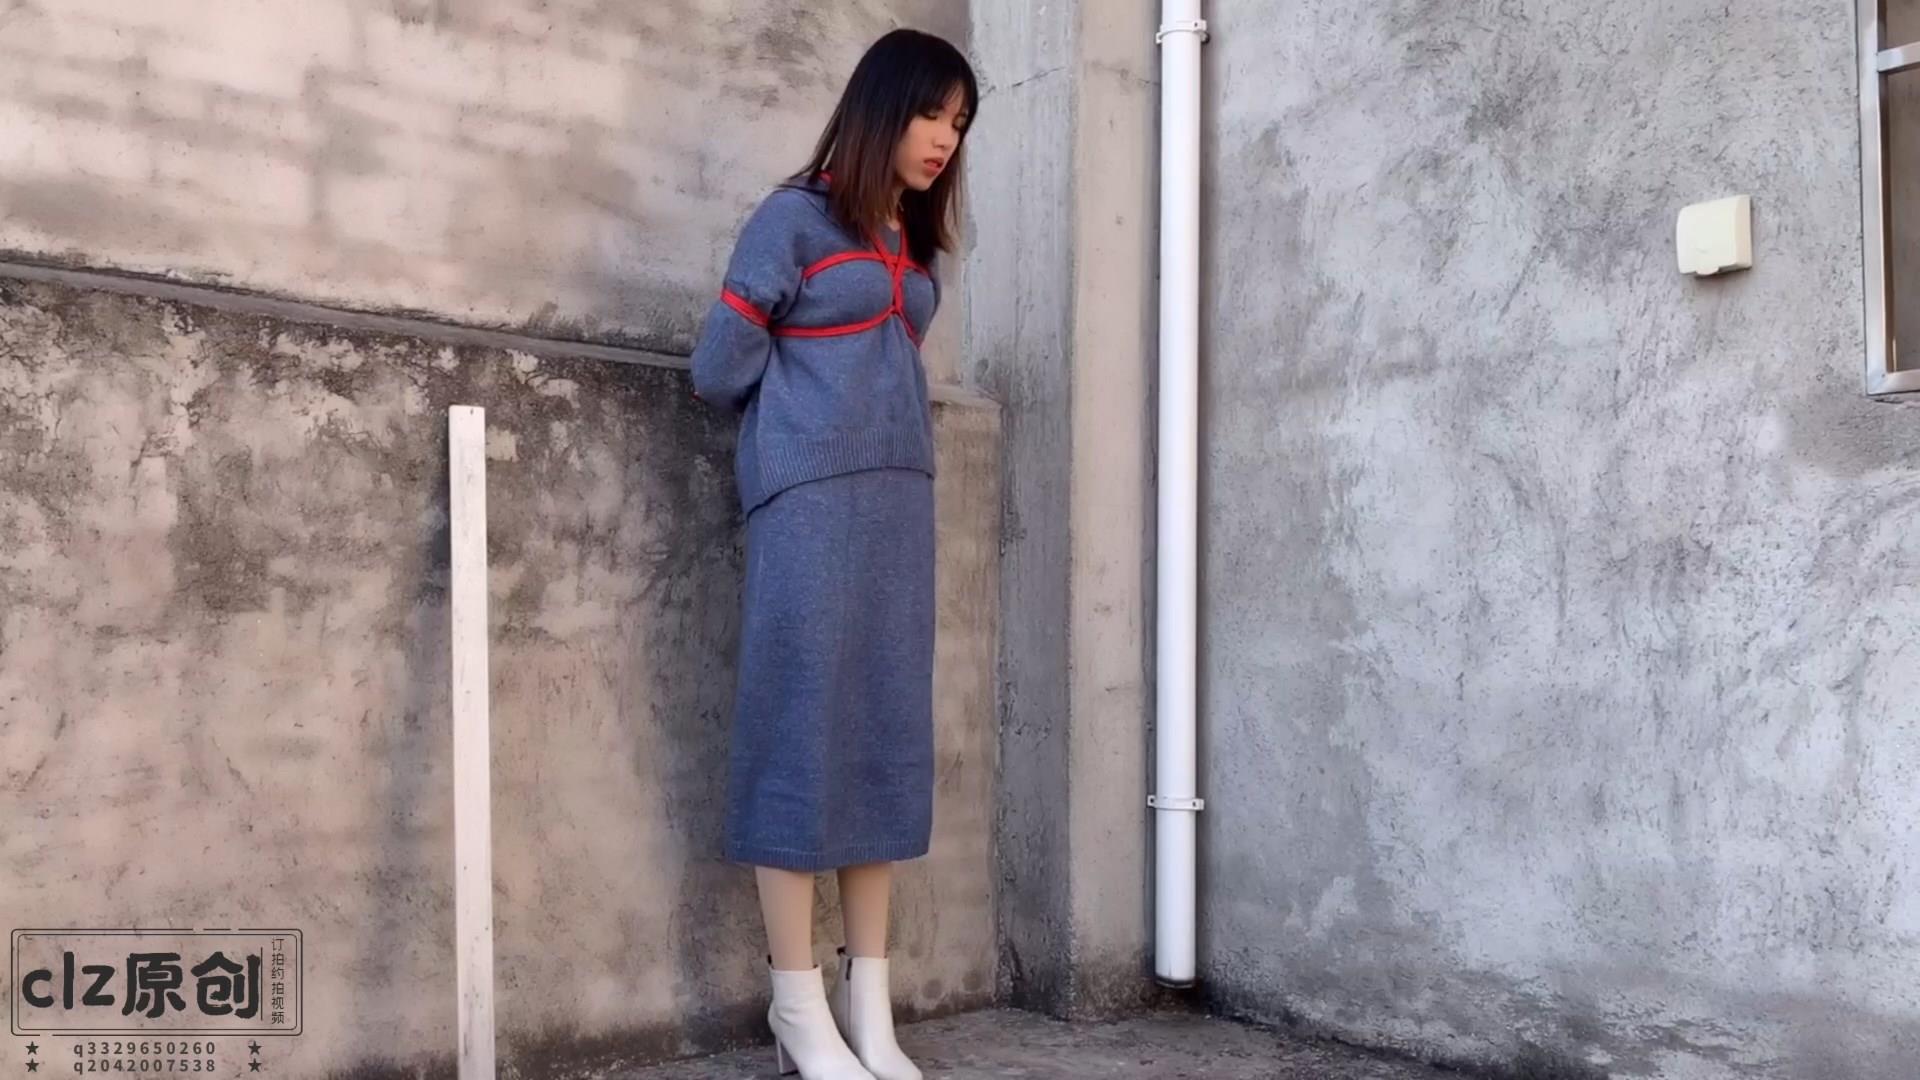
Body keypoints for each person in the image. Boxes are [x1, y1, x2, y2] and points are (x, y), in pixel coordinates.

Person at [689, 27, 979, 1080]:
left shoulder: (911, 242)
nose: (944, 138)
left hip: (899, 509)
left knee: (881, 738)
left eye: (959, 122)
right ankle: (797, 1007)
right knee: (799, 733)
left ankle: (870, 1008)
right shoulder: (793, 220)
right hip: (807, 504)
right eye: (929, 112)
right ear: (880, 107)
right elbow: (718, 369)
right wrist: (801, 432)